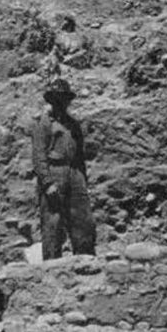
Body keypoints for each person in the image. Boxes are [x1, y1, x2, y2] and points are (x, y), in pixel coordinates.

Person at [30, 78, 96, 260]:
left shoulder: (73, 124)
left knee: (82, 219)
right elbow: (38, 156)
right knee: (52, 221)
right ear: (51, 100)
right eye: (57, 98)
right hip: (54, 171)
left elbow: (80, 154)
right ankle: (52, 266)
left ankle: (86, 261)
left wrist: (82, 179)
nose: (61, 102)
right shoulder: (43, 124)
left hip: (74, 173)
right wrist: (47, 182)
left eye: (64, 98)